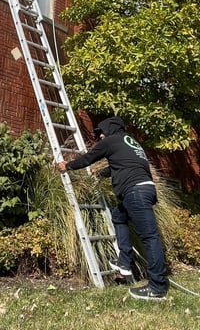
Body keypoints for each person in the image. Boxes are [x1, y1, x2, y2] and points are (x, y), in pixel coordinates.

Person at [55, 116, 169, 301]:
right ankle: (124, 261)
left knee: (150, 237)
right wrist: (100, 173)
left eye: (101, 133)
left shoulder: (111, 140)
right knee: (118, 216)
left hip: (135, 192)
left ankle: (157, 287)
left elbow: (88, 158)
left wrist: (67, 165)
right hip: (145, 189)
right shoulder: (131, 143)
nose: (100, 137)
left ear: (109, 129)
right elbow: (120, 165)